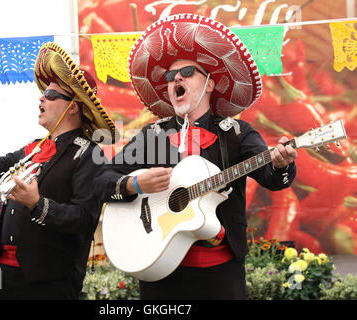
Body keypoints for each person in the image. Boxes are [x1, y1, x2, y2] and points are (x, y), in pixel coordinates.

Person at [93, 14, 297, 299]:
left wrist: (281, 164)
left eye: (187, 72)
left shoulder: (237, 133)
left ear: (210, 85)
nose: (176, 77)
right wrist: (135, 185)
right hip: (158, 270)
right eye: (169, 76)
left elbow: (272, 179)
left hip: (220, 277)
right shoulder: (152, 135)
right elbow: (100, 180)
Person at [0, 42, 118, 299]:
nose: (41, 97)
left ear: (72, 107)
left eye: (50, 95)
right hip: (1, 273)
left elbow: (83, 219)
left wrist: (38, 204)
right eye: (43, 93)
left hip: (47, 281)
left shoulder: (89, 153)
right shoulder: (35, 148)